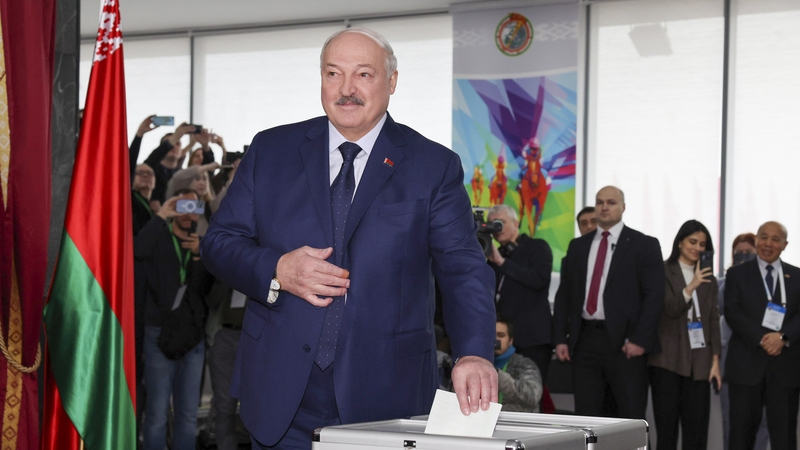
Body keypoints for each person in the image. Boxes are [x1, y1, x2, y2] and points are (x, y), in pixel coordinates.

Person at [200, 27, 497, 450]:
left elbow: (463, 267)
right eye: (333, 74)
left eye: (363, 75)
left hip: (386, 395)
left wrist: (473, 351)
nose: (346, 90)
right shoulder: (271, 151)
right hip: (281, 395)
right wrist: (278, 269)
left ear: (391, 81)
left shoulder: (432, 166)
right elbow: (219, 242)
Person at [552, 186, 664, 419]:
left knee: (630, 416)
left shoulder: (644, 245)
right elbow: (564, 295)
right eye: (600, 202)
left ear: (623, 207)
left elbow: (654, 297)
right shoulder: (578, 247)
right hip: (585, 341)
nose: (604, 207)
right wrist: (561, 339)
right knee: (587, 416)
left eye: (611, 202)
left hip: (626, 345)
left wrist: (639, 340)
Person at [135, 188, 214, 450]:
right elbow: (137, 250)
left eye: (193, 207)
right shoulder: (158, 236)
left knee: (188, 415)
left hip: (192, 336)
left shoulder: (202, 244)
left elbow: (206, 291)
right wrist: (161, 215)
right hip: (158, 332)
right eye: (182, 206)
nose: (187, 213)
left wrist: (198, 257)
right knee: (156, 414)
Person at [725, 221, 800, 450]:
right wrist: (762, 338)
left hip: (785, 369)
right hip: (746, 366)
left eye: (775, 239)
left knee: (784, 437)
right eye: (764, 237)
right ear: (757, 239)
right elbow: (733, 312)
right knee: (740, 436)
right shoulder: (737, 274)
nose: (768, 243)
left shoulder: (796, 275)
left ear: (785, 245)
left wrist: (783, 337)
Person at [648, 220, 722, 450]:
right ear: (680, 242)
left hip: (700, 362)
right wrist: (691, 286)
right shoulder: (662, 270)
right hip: (667, 361)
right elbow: (670, 308)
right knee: (667, 432)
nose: (697, 248)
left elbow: (712, 320)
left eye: (702, 244)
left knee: (697, 433)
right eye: (693, 241)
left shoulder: (709, 277)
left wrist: (716, 361)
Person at [487, 204, 553, 380]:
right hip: (500, 338)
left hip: (532, 338)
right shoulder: (494, 255)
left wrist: (502, 262)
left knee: (530, 394)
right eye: (492, 224)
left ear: (516, 224)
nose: (496, 229)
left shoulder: (537, 247)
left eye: (501, 223)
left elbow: (538, 280)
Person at [717, 233, 769, 450]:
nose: (743, 257)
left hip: (764, 359)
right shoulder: (724, 282)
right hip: (733, 362)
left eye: (749, 253)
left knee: (763, 423)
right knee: (733, 423)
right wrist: (736, 277)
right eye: (739, 253)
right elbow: (722, 306)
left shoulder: (771, 282)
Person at [494, 315, 543, 412]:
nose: (496, 340)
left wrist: (496, 375)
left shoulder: (525, 364)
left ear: (511, 340)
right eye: (491, 336)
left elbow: (533, 396)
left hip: (517, 424)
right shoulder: (472, 366)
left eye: (501, 335)